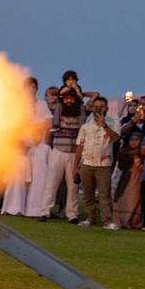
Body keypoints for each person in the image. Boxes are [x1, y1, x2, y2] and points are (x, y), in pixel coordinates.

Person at [3, 76, 51, 216]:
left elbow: (48, 122)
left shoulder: (42, 104)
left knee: (38, 179)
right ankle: (14, 208)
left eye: (33, 87)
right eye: (28, 87)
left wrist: (35, 128)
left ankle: (34, 210)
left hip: (38, 145)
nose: (31, 90)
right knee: (18, 178)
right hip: (21, 146)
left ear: (36, 89)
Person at [37, 88, 83, 221]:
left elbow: (82, 125)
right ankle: (45, 211)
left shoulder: (80, 109)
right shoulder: (59, 107)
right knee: (51, 183)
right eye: (66, 98)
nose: (69, 100)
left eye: (71, 98)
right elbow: (55, 120)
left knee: (73, 186)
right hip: (58, 150)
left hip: (73, 152)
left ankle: (72, 214)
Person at [76, 96, 119, 229]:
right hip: (87, 163)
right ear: (92, 108)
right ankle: (90, 218)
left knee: (104, 194)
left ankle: (107, 221)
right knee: (88, 194)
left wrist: (104, 125)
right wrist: (75, 165)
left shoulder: (113, 122)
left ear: (106, 108)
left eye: (101, 107)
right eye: (96, 107)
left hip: (104, 165)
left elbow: (116, 138)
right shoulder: (86, 126)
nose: (98, 109)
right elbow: (80, 146)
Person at [112, 129, 145, 229]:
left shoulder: (144, 152)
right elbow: (121, 165)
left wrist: (137, 158)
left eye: (137, 140)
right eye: (132, 140)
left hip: (138, 179)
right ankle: (120, 221)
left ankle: (132, 222)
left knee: (134, 200)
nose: (133, 142)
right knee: (122, 199)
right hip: (126, 178)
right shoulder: (124, 152)